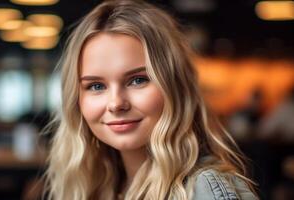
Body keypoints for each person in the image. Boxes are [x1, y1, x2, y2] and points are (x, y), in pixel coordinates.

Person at [44, 1, 257, 199]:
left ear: (175, 87)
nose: (116, 103)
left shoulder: (205, 188)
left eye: (138, 80)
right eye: (96, 86)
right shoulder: (100, 184)